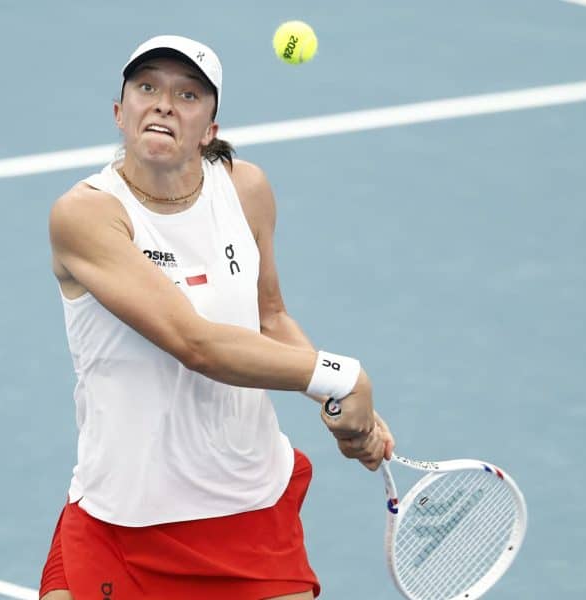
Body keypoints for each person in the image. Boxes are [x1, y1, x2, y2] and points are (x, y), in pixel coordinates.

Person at [40, 35, 394, 600]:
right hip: (122, 517)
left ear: (210, 129)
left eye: (187, 94)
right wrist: (340, 379)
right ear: (119, 112)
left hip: (249, 512)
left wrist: (335, 405)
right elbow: (194, 343)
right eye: (147, 87)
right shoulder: (86, 214)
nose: (162, 103)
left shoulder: (245, 189)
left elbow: (269, 315)